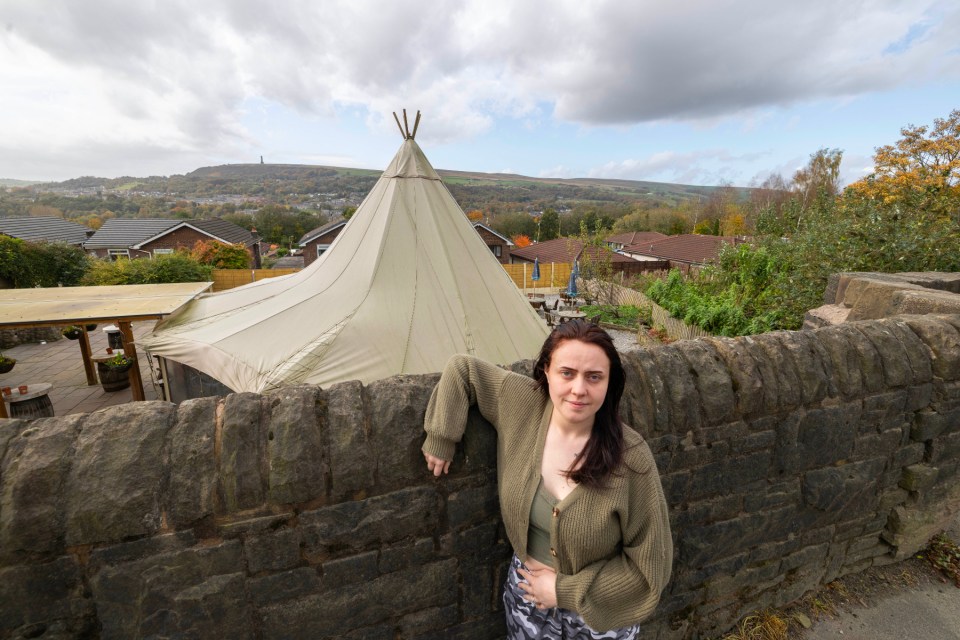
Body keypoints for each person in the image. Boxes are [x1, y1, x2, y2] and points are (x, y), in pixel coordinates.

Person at [423, 319, 673, 638]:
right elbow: (464, 369)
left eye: (594, 377)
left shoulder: (632, 458)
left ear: (610, 383)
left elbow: (649, 569)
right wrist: (442, 436)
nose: (578, 389)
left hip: (599, 618)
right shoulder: (521, 404)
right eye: (566, 373)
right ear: (546, 371)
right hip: (526, 602)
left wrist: (562, 591)